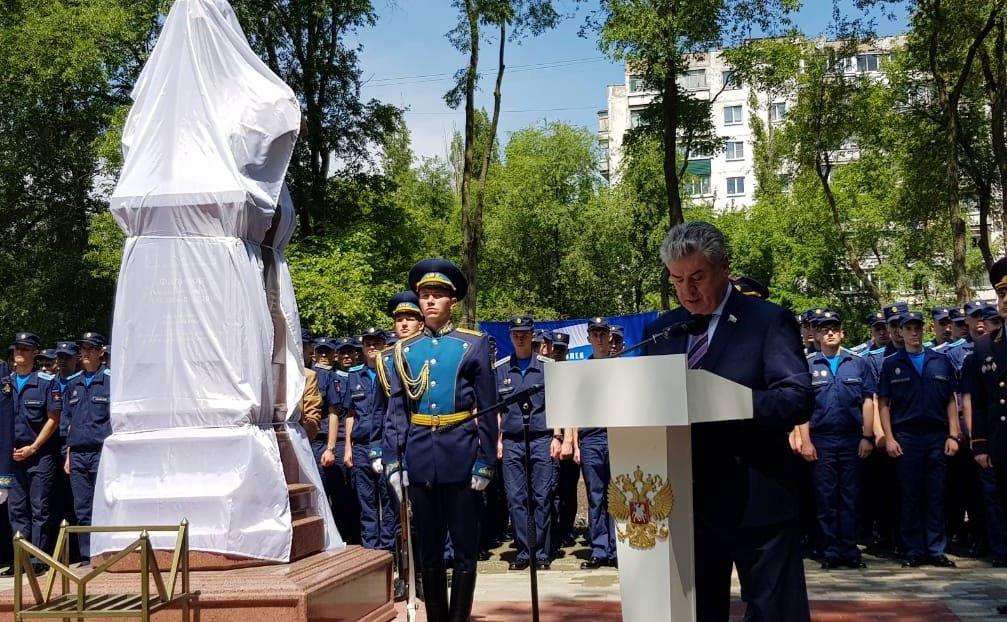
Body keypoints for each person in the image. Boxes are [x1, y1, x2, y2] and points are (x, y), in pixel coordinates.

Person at [640, 221, 813, 621]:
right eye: (677, 279)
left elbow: (797, 399)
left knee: (774, 612)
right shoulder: (660, 332)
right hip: (684, 503)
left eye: (697, 277)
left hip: (758, 500)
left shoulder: (766, 321)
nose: (687, 290)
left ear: (724, 269)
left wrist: (732, 403)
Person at [382, 258, 498, 622]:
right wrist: (394, 461)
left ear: (453, 302)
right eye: (425, 295)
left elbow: (489, 407)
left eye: (438, 295)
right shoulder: (404, 351)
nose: (430, 301)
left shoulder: (472, 345)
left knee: (464, 548)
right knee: (428, 548)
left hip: (461, 454)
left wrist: (485, 461)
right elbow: (397, 413)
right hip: (419, 456)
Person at [878, 311, 959, 568]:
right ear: (900, 332)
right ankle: (912, 549)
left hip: (936, 435)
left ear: (924, 330)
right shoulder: (891, 363)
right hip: (907, 436)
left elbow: (950, 400)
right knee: (910, 495)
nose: (914, 332)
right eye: (909, 328)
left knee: (935, 494)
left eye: (918, 328)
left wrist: (953, 435)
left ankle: (935, 549)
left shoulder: (940, 360)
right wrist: (888, 437)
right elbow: (883, 404)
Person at [796, 311, 875, 570]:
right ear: (816, 335)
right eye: (823, 329)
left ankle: (850, 550)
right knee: (826, 498)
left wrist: (868, 436)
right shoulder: (808, 366)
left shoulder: (858, 363)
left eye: (833, 328)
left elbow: (867, 401)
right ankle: (830, 551)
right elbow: (803, 408)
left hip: (852, 439)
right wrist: (806, 441)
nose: (829, 333)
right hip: (822, 440)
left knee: (851, 497)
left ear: (842, 333)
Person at [495, 315, 558, 571]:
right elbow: (497, 409)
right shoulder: (499, 369)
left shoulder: (547, 367)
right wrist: (498, 440)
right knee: (515, 497)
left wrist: (558, 437)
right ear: (510, 336)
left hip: (541, 438)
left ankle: (541, 552)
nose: (520, 337)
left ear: (533, 336)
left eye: (525, 333)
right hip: (511, 441)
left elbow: (558, 404)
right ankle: (524, 551)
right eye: (515, 333)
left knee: (542, 496)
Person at [966, 256, 1007, 615]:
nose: (1006, 300)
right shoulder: (984, 347)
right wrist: (980, 444)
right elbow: (978, 402)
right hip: (1001, 447)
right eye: (1002, 294)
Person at [5, 332, 62, 576]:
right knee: (16, 510)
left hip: (38, 454)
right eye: (17, 348)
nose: (19, 352)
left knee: (39, 508)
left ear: (35, 353)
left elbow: (53, 418)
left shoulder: (46, 382)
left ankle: (37, 559)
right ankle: (21, 559)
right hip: (12, 455)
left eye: (25, 349)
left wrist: (34, 448)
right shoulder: (4, 383)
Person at [343, 327, 398, 554]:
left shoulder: (394, 373)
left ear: (385, 346)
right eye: (368, 344)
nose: (372, 347)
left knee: (389, 499)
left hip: (387, 445)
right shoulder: (355, 375)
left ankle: (387, 548)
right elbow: (350, 414)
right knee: (366, 501)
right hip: (362, 446)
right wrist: (348, 447)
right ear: (363, 348)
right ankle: (370, 549)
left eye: (376, 343)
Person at [61, 332, 111, 565]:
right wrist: (67, 454)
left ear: (101, 352)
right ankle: (86, 554)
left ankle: (107, 551)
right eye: (83, 350)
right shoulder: (74, 383)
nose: (86, 354)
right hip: (78, 453)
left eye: (91, 349)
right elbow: (66, 423)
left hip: (102, 451)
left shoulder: (111, 380)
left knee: (105, 503)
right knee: (82, 506)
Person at [576, 317, 618, 569]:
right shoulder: (581, 371)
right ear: (589, 337)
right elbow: (573, 408)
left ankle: (618, 548)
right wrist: (571, 439)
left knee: (618, 494)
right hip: (591, 438)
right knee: (595, 495)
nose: (600, 338)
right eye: (595, 333)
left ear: (610, 337)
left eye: (603, 333)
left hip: (617, 436)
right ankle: (599, 549)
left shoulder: (620, 367)